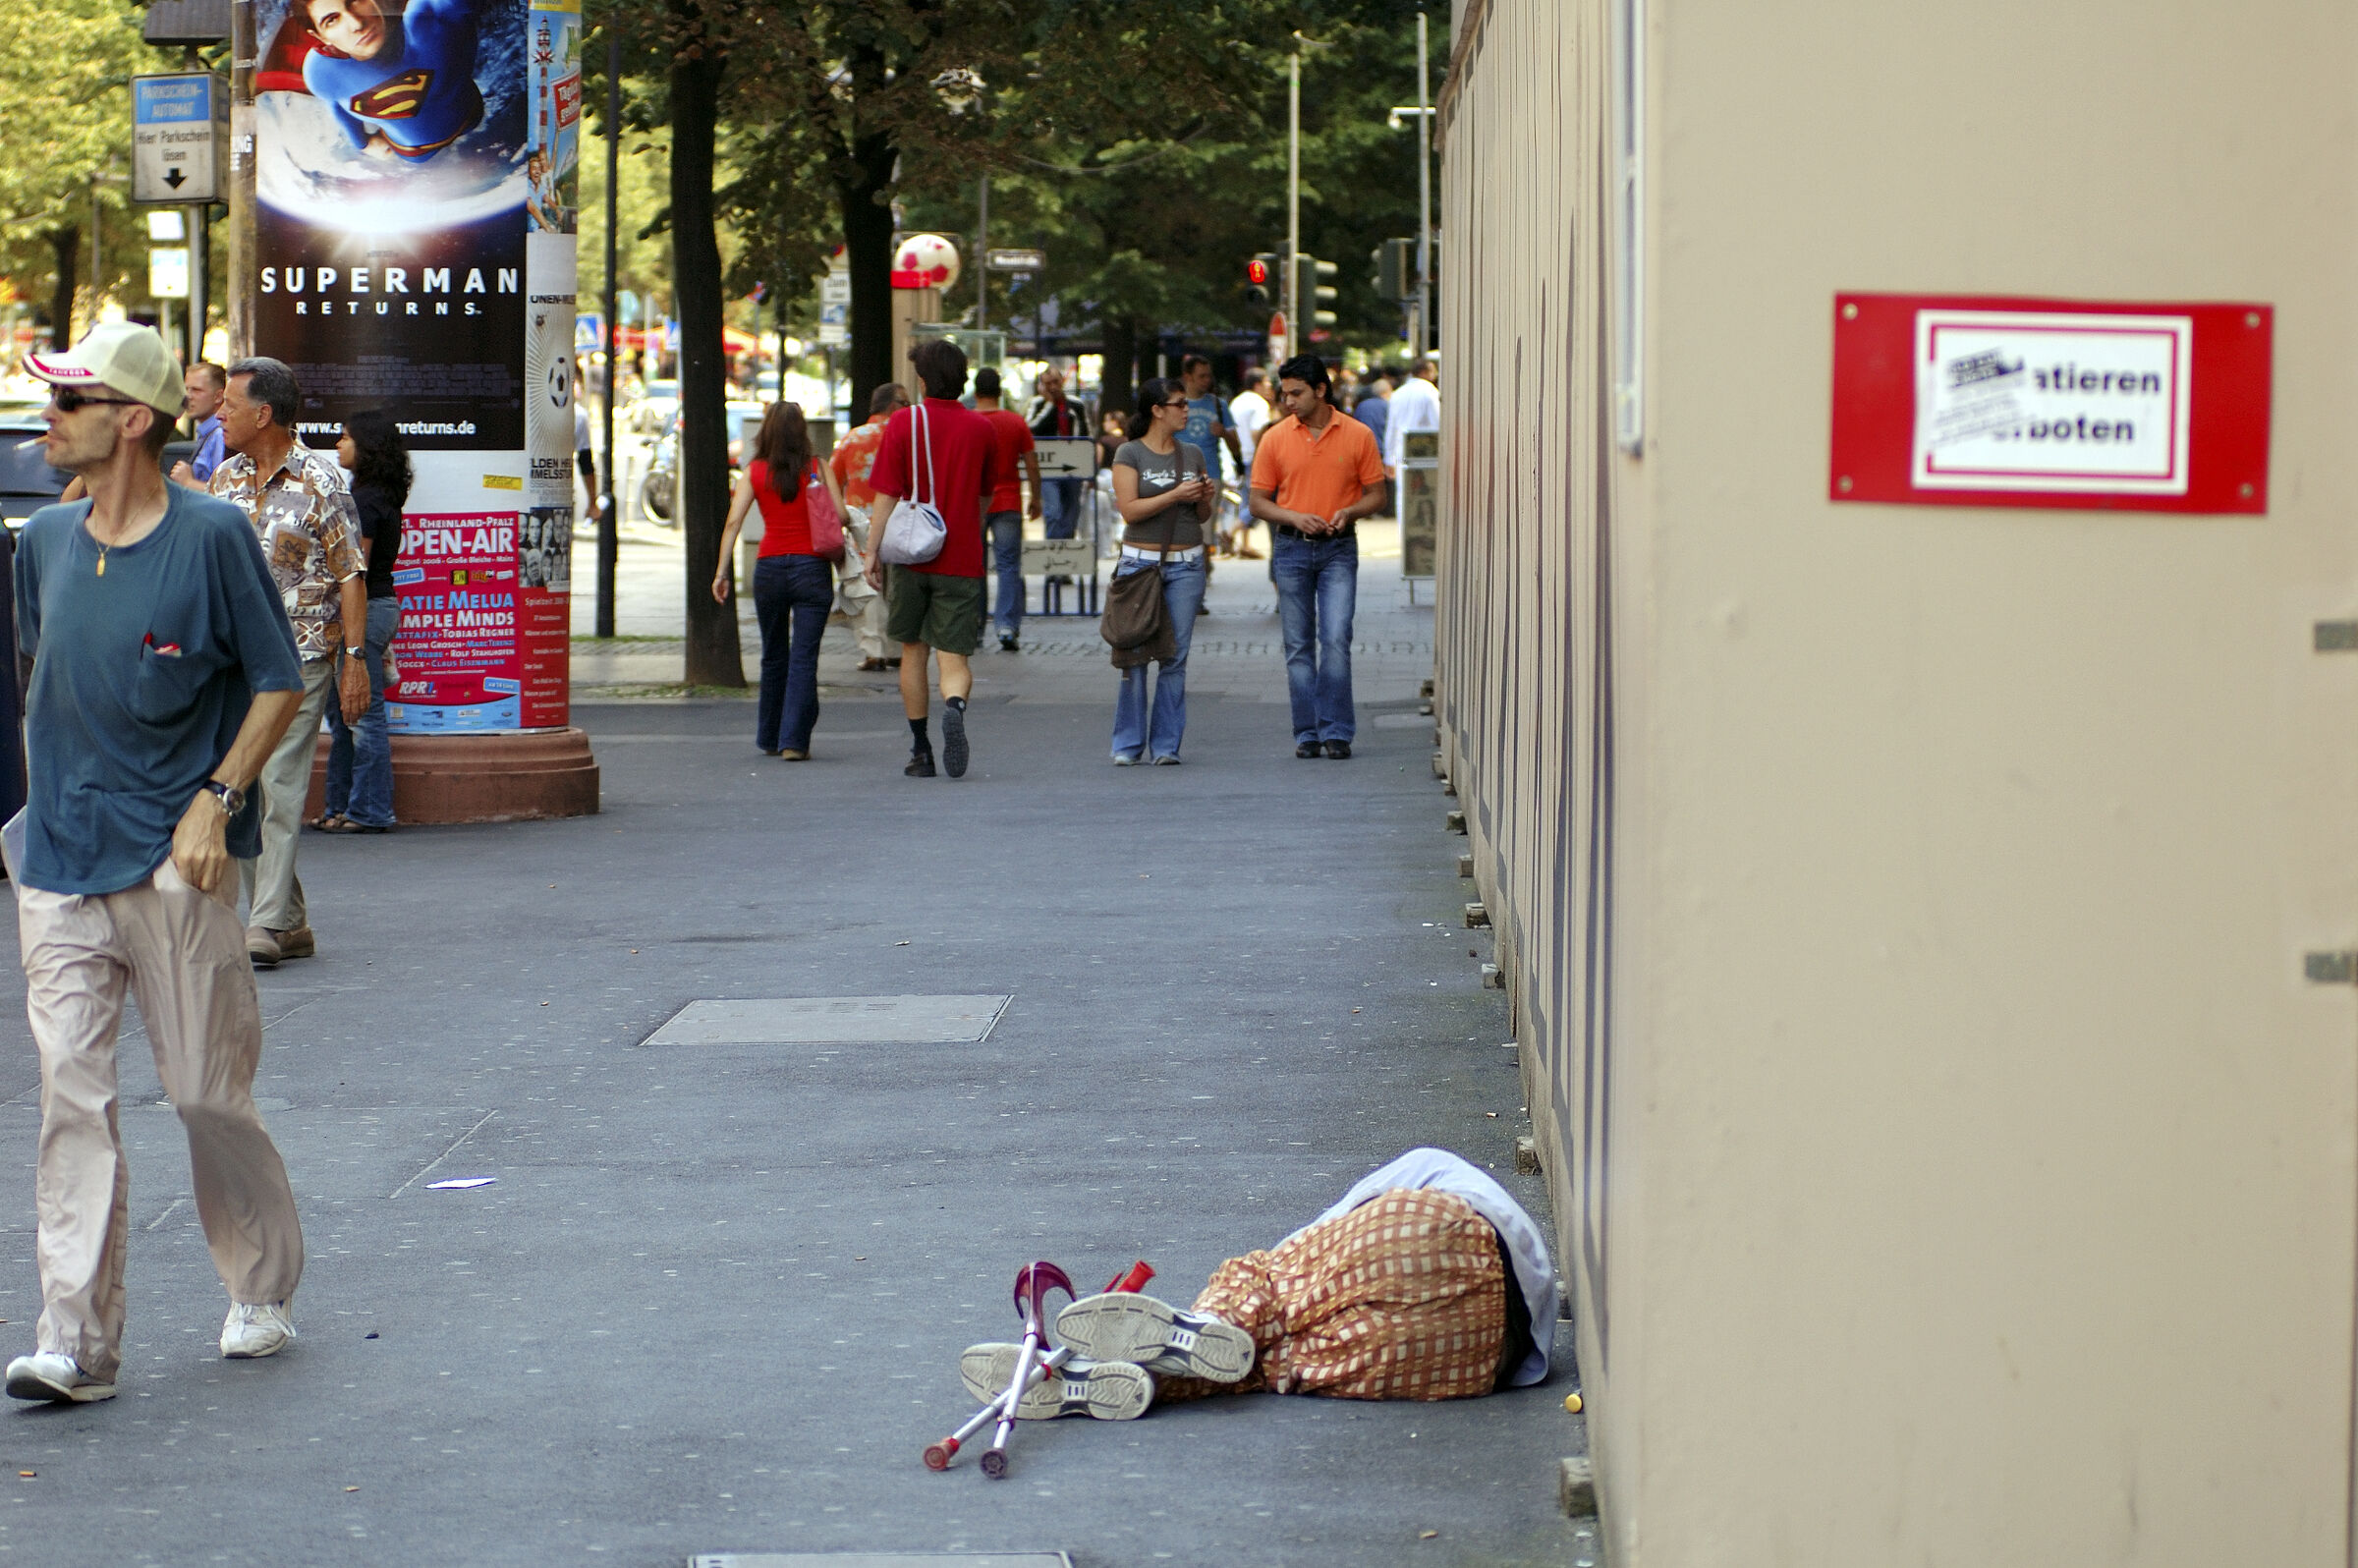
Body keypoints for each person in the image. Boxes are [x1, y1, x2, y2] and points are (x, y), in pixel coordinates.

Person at [4, 324, 309, 1405]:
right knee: (70, 1104)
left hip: (174, 866)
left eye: (67, 402)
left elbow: (276, 681)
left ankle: (263, 1284)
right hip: (58, 862)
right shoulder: (40, 543)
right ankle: (76, 1344)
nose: (48, 422)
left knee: (201, 1094)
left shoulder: (215, 536)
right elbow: (43, 678)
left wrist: (215, 802)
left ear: (132, 419)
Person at [962, 1148, 1557, 1418]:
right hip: (1479, 1349)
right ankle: (1118, 1376)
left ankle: (1199, 1332)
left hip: (1440, 1232)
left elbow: (1320, 1234)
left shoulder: (1421, 1176)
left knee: (1269, 1310)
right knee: (1275, 1355)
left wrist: (1270, 1275)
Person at [208, 358, 368, 967]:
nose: (219, 413)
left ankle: (267, 922)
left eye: (229, 404)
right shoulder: (224, 479)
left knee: (277, 780)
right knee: (239, 784)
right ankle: (292, 921)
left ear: (263, 413)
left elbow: (351, 573)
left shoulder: (322, 481)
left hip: (301, 656)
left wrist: (354, 659)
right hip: (235, 661)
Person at [862, 339, 1006, 779]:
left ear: (922, 381)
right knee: (954, 658)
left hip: (910, 557)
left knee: (911, 650)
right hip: (961, 557)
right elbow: (986, 496)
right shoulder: (984, 430)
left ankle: (921, 750)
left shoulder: (904, 423)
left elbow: (886, 495)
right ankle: (955, 707)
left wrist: (872, 552)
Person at [1249, 355, 1387, 760]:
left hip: (1339, 548)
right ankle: (1307, 732)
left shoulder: (1357, 435)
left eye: (1297, 393)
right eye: (1284, 393)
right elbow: (1258, 502)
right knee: (1297, 645)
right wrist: (1294, 517)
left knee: (1337, 639)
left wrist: (1350, 511)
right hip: (1291, 547)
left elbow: (1377, 495)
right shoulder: (1275, 437)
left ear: (1321, 390)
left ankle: (1337, 731)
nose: (1288, 400)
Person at [714, 403, 847, 760]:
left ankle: (770, 737)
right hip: (812, 569)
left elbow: (732, 523)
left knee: (773, 655)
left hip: (769, 569)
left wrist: (721, 572)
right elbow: (842, 514)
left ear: (767, 432)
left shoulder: (755, 471)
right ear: (801, 431)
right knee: (804, 657)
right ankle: (794, 742)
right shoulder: (817, 467)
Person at [1104, 378, 1215, 766]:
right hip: (1140, 564)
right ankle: (1128, 744)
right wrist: (1175, 495)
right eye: (1179, 404)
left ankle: (1167, 746)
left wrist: (1204, 499)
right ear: (1157, 410)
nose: (1187, 410)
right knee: (1133, 653)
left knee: (1175, 656)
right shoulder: (1129, 454)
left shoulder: (1193, 454)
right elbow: (1130, 510)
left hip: (1187, 564)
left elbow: (1201, 517)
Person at [317, 409, 407, 833]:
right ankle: (340, 807)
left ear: (366, 448)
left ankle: (369, 810)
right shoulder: (374, 495)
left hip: (366, 611)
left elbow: (356, 568)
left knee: (362, 717)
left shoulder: (367, 502)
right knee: (343, 716)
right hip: (373, 610)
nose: (338, 444)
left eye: (346, 438)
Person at [296, 0, 487, 163]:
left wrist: (362, 143)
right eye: (332, 20)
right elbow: (334, 103)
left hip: (472, 116)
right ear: (320, 37)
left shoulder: (428, 16)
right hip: (413, 151)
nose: (356, 24)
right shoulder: (321, 72)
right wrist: (362, 144)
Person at [830, 382, 908, 671]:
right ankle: (900, 647)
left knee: (866, 587)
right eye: (906, 403)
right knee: (897, 586)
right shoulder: (906, 435)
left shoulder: (852, 439)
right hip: (901, 520)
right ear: (894, 405)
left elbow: (832, 481)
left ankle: (875, 650)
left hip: (862, 524)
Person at [973, 367, 1040, 653]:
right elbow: (1031, 463)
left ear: (975, 392)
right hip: (1009, 500)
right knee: (1009, 565)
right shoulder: (1016, 423)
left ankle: (973, 628)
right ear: (1000, 392)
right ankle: (1007, 626)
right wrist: (1036, 497)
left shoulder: (969, 422)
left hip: (974, 504)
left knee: (974, 567)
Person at [1025, 364, 1091, 540]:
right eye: (1048, 384)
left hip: (1073, 465)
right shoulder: (1037, 404)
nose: (1053, 387)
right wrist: (1049, 405)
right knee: (1053, 511)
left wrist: (1089, 466)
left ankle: (1066, 552)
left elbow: (1086, 433)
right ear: (1042, 385)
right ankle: (1053, 549)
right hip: (1048, 467)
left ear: (1062, 381)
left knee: (1071, 513)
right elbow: (1029, 429)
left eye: (1056, 382)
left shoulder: (1076, 404)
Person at [1225, 369, 1274, 559]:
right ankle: (1231, 532)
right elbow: (1258, 432)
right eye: (1267, 383)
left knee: (1247, 499)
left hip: (1241, 456)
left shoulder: (1237, 402)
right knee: (1261, 499)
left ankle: (1245, 545)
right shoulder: (1259, 404)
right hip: (1257, 456)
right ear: (1257, 384)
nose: (1269, 387)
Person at [169, 362, 228, 488]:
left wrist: (188, 482)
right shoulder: (208, 433)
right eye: (186, 389)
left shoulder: (220, 435)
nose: (188, 396)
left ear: (218, 396)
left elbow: (225, 492)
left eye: (196, 390)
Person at [1384, 357, 1441, 485]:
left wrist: (1389, 459)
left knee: (1403, 491)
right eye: (1432, 371)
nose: (1435, 374)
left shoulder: (1398, 393)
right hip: (1424, 451)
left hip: (1401, 452)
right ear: (1424, 372)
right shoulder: (1430, 391)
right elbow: (1437, 423)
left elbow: (1391, 427)